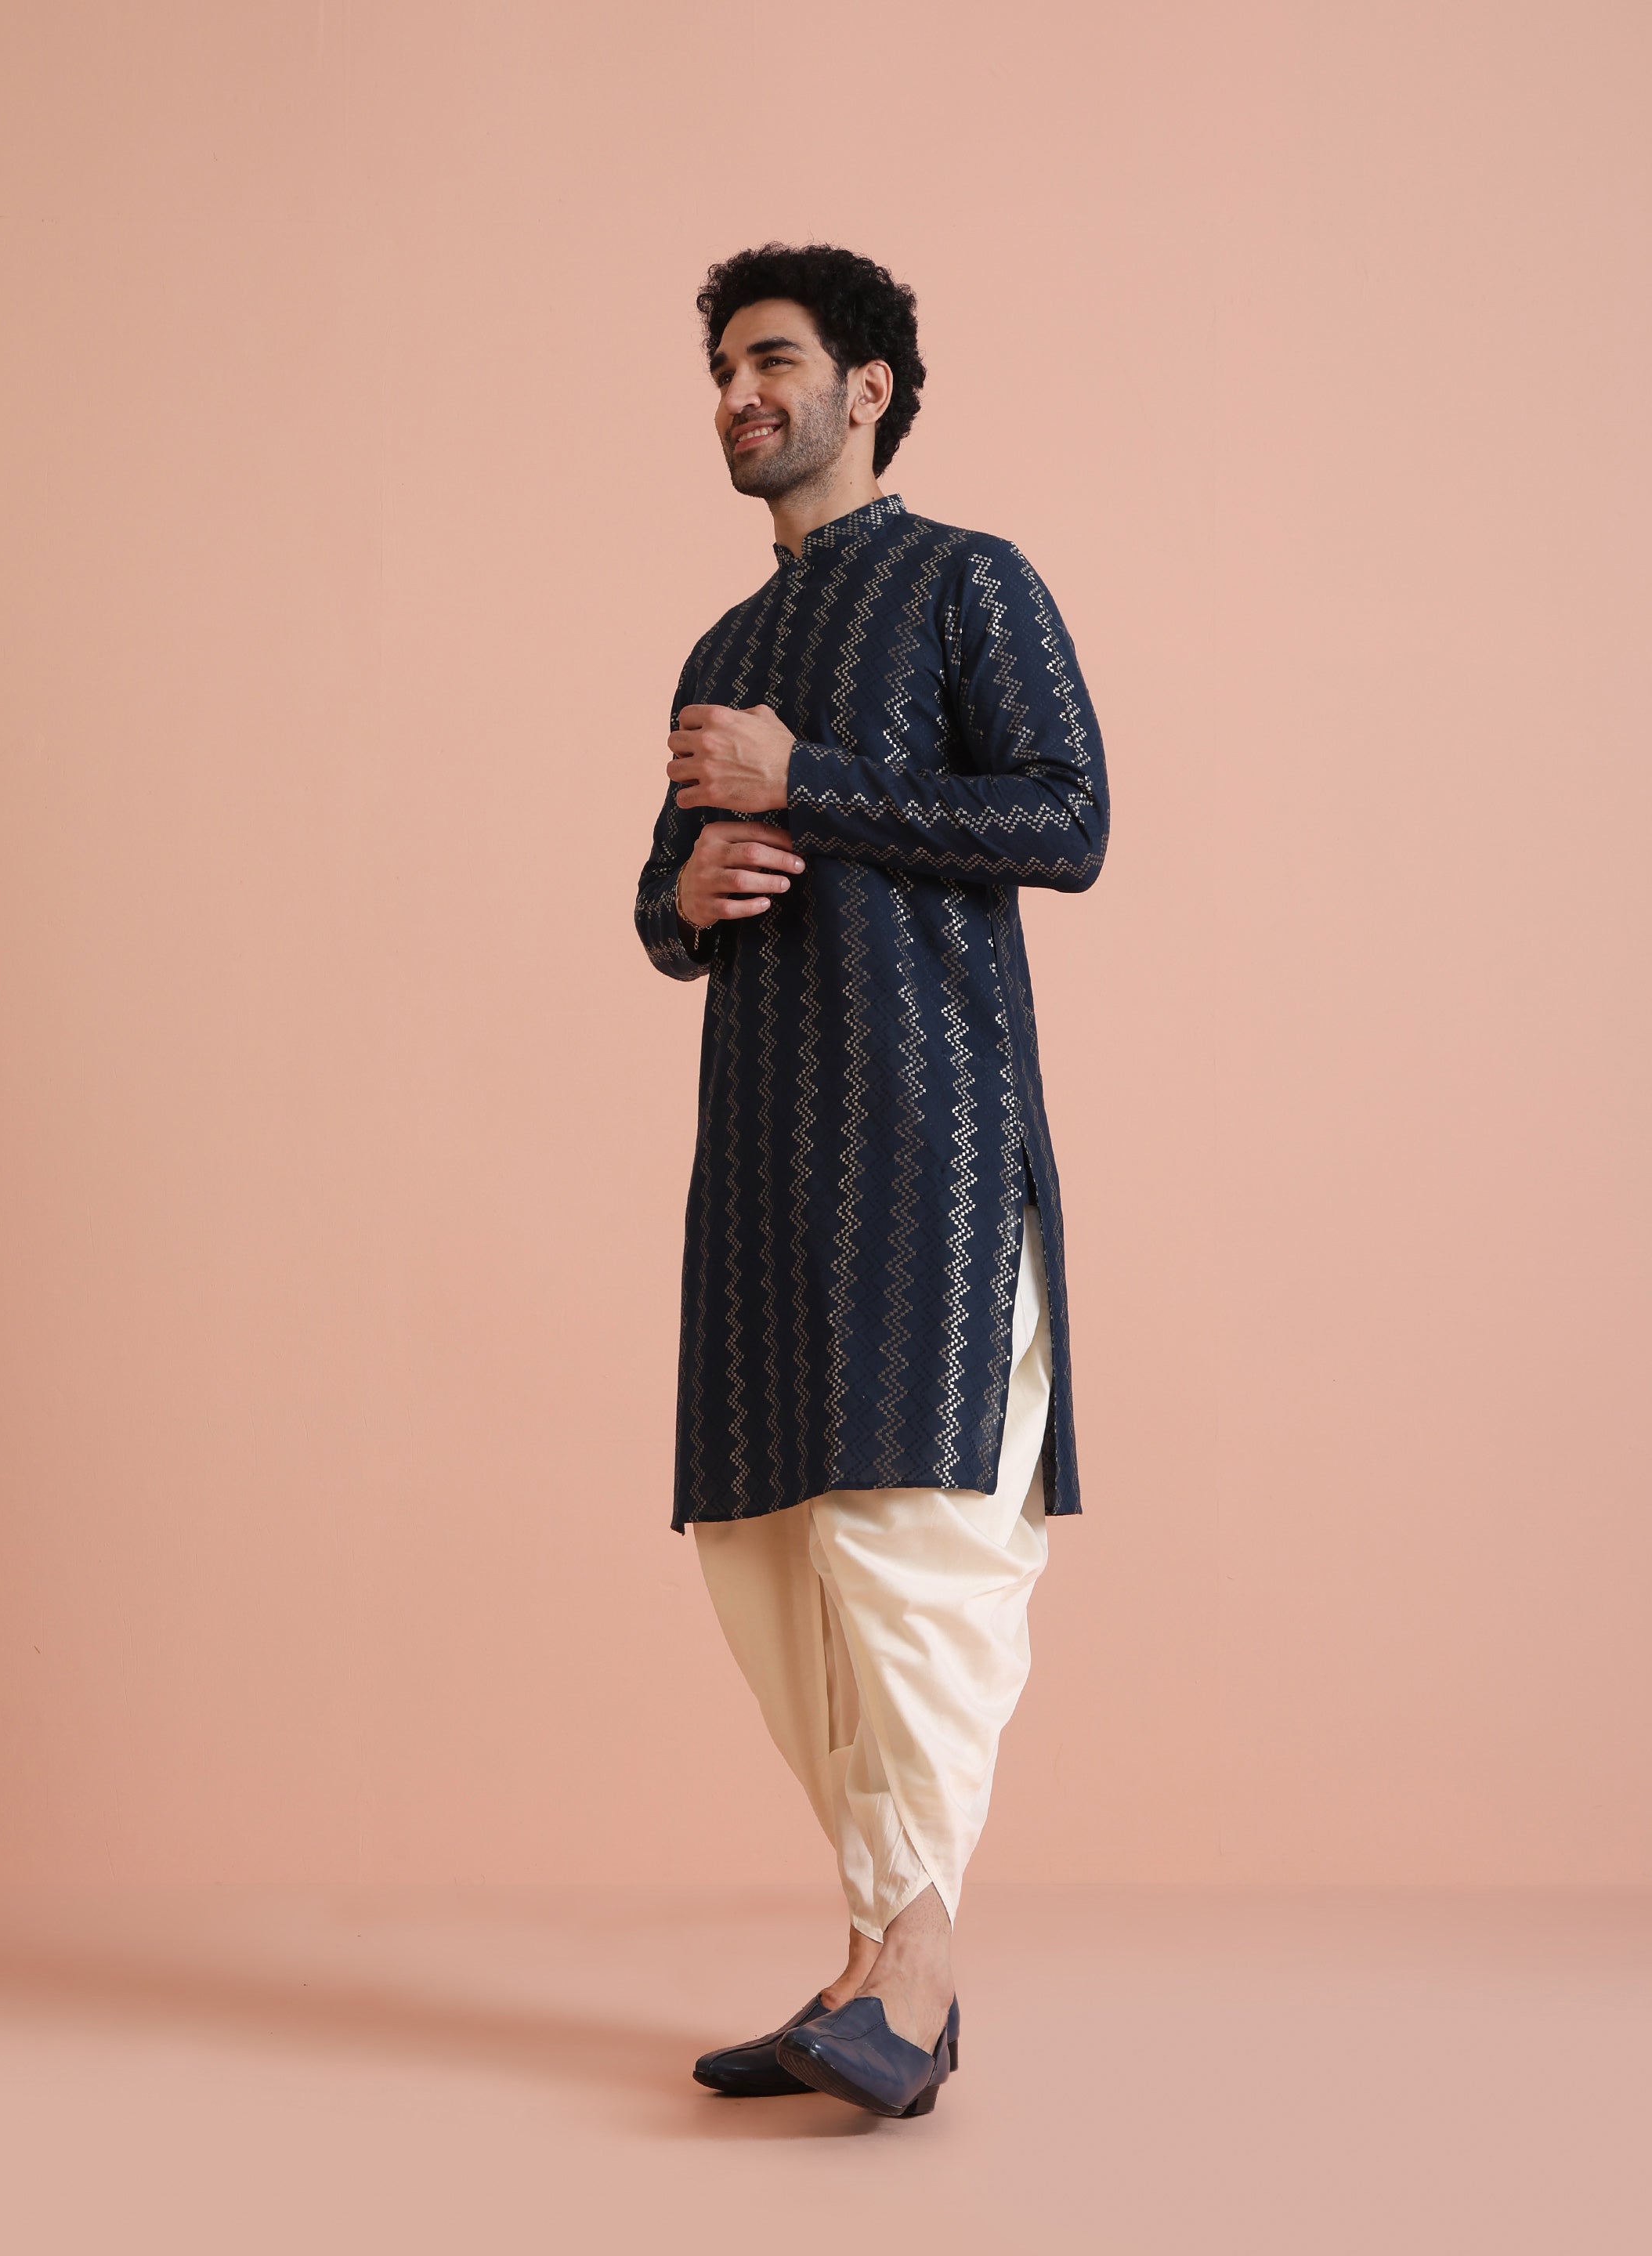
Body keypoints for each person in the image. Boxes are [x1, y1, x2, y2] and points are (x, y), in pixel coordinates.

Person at [633, 243, 1109, 2120]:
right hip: (764, 1151)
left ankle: (911, 1981)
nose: (740, 397)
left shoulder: (969, 583)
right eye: (724, 372)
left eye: (774, 361)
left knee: (910, 1541)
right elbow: (664, 900)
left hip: (932, 1140)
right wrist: (683, 896)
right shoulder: (718, 656)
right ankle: (867, 1964)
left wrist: (807, 781)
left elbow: (1069, 817)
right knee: (774, 1558)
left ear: (871, 388)